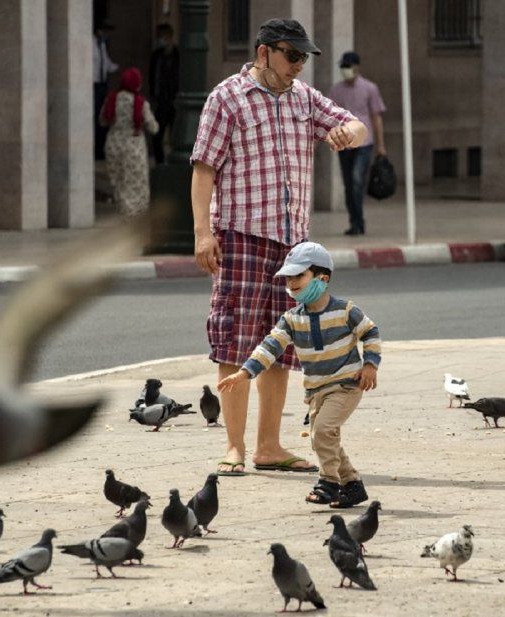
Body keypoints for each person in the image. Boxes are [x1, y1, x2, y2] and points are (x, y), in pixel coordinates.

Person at [191, 18, 368, 476]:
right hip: (240, 233)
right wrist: (202, 234)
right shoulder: (227, 98)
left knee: (280, 344)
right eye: (293, 56)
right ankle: (233, 446)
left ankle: (268, 446)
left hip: (293, 244)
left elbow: (354, 124)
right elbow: (203, 169)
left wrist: (351, 132)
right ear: (265, 51)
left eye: (304, 58)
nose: (299, 67)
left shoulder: (304, 99)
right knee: (234, 339)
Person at [218, 242, 381, 508]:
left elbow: (371, 333)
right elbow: (270, 347)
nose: (291, 283)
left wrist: (370, 365)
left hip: (346, 385)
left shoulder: (345, 310)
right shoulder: (291, 319)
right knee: (323, 438)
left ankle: (328, 483)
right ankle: (352, 485)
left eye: (299, 276)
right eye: (289, 277)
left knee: (323, 432)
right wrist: (245, 372)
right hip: (316, 391)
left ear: (322, 278)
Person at [328, 51, 387, 236]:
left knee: (356, 180)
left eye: (348, 66)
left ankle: (359, 220)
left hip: (364, 142)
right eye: (343, 67)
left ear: (356, 67)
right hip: (345, 143)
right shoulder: (336, 90)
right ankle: (355, 221)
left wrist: (380, 145)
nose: (345, 70)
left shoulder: (370, 88)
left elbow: (376, 117)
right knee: (348, 183)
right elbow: (329, 117)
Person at [100, 67, 159, 218]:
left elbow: (103, 121)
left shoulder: (111, 99)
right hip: (134, 148)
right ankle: (134, 221)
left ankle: (123, 213)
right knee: (135, 186)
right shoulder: (140, 103)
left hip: (114, 144)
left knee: (119, 184)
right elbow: (153, 128)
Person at [148, 23, 179, 164]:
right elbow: (152, 76)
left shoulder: (178, 55)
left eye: (162, 36)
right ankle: (160, 162)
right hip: (161, 101)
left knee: (176, 135)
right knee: (157, 135)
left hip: (175, 101)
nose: (160, 39)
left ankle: (174, 162)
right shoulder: (157, 56)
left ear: (169, 36)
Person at [93, 21, 119, 161]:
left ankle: (100, 149)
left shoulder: (102, 45)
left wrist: (117, 67)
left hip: (102, 83)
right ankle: (96, 150)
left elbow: (107, 63)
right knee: (96, 116)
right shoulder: (90, 43)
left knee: (102, 116)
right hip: (93, 83)